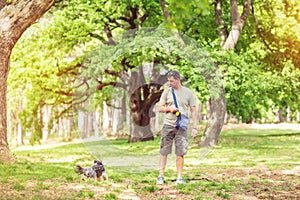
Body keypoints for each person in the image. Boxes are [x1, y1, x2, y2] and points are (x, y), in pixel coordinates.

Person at [156, 70, 198, 185]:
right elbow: (159, 108)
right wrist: (170, 109)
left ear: (178, 79)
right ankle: (161, 176)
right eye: (169, 81)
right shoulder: (167, 92)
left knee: (180, 152)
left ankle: (179, 177)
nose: (170, 83)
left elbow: (194, 111)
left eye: (172, 81)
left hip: (182, 126)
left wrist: (195, 127)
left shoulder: (188, 93)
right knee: (164, 151)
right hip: (168, 125)